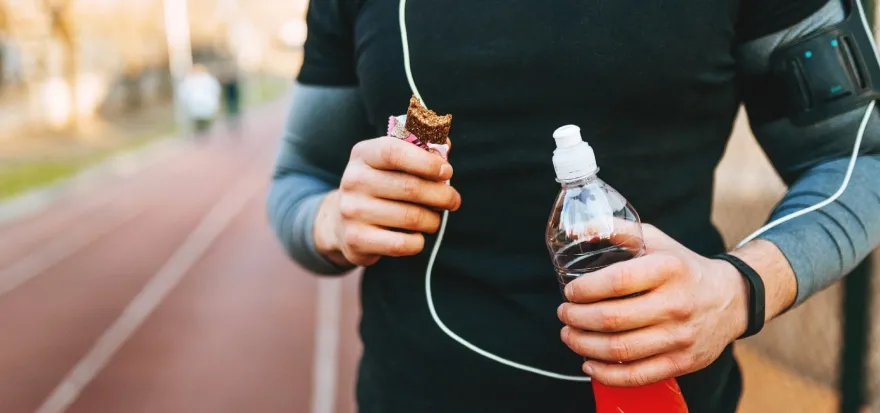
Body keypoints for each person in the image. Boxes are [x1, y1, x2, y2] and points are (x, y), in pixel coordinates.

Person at [267, 0, 880, 412]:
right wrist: (332, 222)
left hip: (665, 400)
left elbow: (860, 159)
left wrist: (742, 287)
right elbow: (299, 176)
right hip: (413, 392)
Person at [178, 64, 221, 136]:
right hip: (208, 106)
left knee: (197, 125)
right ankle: (206, 133)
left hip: (194, 107)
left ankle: (199, 133)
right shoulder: (209, 79)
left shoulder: (188, 80)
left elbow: (183, 95)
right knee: (207, 125)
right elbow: (216, 91)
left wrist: (185, 106)